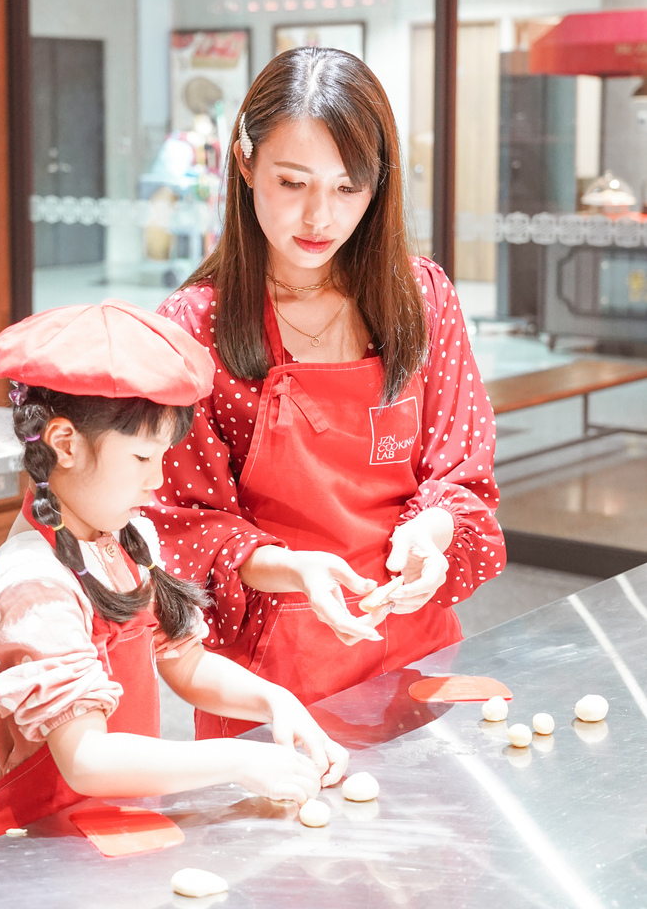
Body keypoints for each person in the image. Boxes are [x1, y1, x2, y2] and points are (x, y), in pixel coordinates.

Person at [146, 47, 507, 739]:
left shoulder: (420, 296)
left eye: (348, 189)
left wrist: (431, 537)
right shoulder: (196, 326)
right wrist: (292, 569)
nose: (319, 217)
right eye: (292, 181)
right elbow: (183, 526)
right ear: (245, 163)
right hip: (266, 680)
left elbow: (462, 472)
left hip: (415, 646)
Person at [0, 300, 347, 852]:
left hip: (119, 826)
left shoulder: (122, 539)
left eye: (164, 457)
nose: (156, 481)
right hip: (47, 842)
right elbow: (87, 760)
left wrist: (275, 701)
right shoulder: (34, 585)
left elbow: (183, 662)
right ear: (64, 444)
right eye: (141, 459)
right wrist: (235, 759)